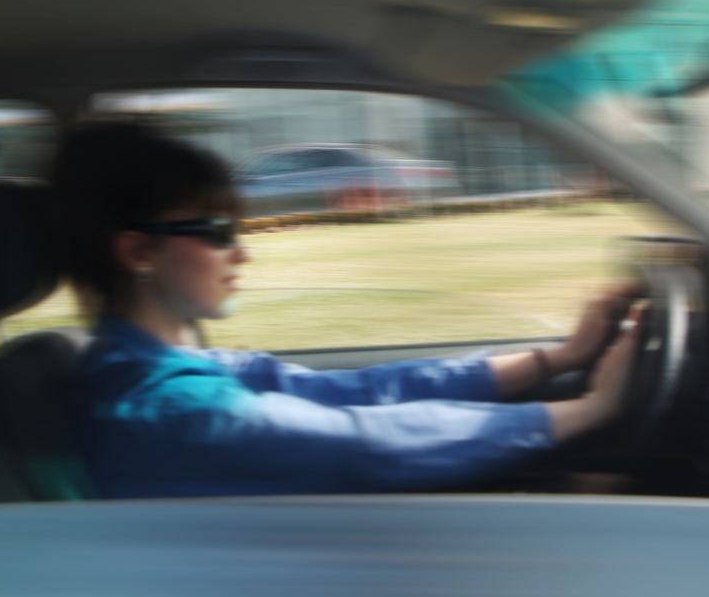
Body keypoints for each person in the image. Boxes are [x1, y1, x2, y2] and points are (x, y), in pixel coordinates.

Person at [50, 123, 641, 498]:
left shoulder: (162, 365)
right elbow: (362, 443)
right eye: (217, 231)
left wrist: (557, 358)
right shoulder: (155, 404)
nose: (242, 252)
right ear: (137, 250)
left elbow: (359, 392)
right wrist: (594, 409)